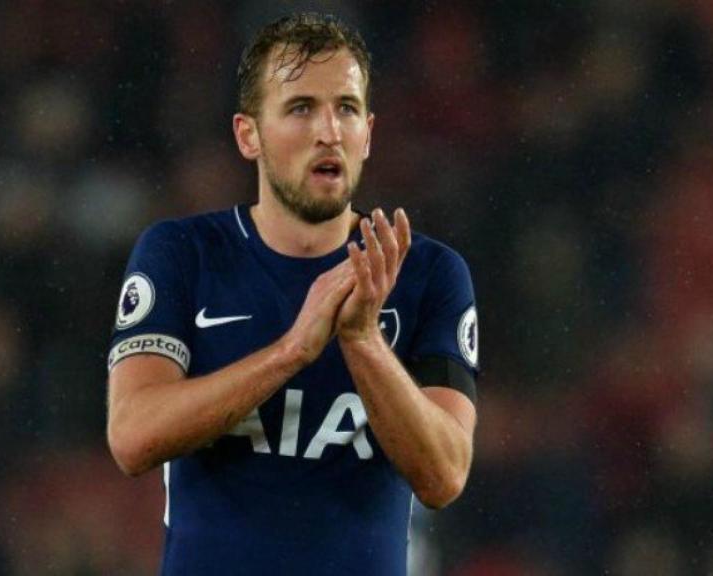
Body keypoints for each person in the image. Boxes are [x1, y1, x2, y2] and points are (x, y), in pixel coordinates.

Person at [106, 12, 478, 576]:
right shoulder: (183, 254)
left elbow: (445, 475)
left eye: (346, 109)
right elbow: (132, 436)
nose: (329, 131)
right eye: (301, 107)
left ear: (369, 134)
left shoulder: (427, 273)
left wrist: (362, 341)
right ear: (247, 134)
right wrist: (291, 352)